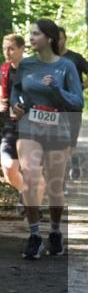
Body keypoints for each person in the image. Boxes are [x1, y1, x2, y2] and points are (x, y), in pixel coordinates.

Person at [10, 19, 84, 258]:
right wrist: (16, 107)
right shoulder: (26, 65)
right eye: (30, 33)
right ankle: (33, 236)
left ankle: (54, 231)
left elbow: (77, 102)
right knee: (30, 178)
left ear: (49, 39)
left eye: (36, 34)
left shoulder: (66, 66)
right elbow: (16, 92)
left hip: (58, 131)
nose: (31, 38)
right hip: (30, 127)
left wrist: (56, 90)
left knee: (54, 187)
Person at [0, 34, 26, 201]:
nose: (7, 52)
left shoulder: (34, 69)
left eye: (11, 48)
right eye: (4, 48)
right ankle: (24, 191)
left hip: (33, 125)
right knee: (8, 168)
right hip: (11, 124)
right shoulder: (3, 70)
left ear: (22, 49)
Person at [58, 27, 88, 181]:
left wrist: (82, 86)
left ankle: (73, 160)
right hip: (54, 108)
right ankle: (61, 180)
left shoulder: (75, 58)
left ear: (65, 39)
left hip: (74, 106)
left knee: (70, 142)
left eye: (60, 38)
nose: (58, 41)